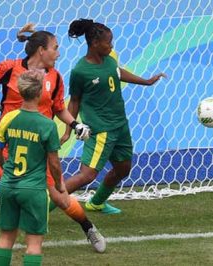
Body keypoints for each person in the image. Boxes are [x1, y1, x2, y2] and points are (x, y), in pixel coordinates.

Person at [0, 23, 106, 252]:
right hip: (8, 145)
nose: (58, 53)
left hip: (38, 150)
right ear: (41, 51)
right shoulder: (9, 68)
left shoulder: (55, 78)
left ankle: (88, 227)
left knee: (60, 198)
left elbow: (58, 108)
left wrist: (76, 124)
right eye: (55, 48)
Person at [63, 19, 166, 214]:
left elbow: (117, 72)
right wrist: (69, 129)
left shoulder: (109, 60)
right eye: (108, 42)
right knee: (87, 175)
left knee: (123, 169)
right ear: (94, 44)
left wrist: (146, 81)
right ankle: (41, 205)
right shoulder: (80, 71)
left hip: (120, 126)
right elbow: (74, 101)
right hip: (100, 130)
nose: (111, 46)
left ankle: (97, 202)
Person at [0, 70, 65, 266]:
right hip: (33, 189)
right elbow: (54, 163)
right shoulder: (47, 125)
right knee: (34, 243)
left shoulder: (8, 118)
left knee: (5, 238)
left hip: (8, 186)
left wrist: (6, 168)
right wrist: (60, 185)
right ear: (40, 92)